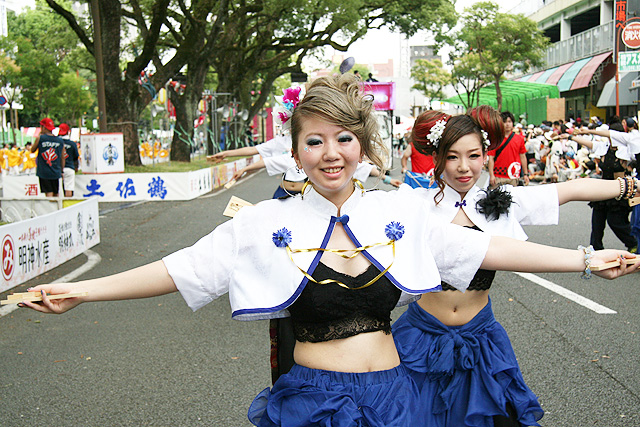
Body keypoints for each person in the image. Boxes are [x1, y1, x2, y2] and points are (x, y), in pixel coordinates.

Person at [21, 75, 637, 427]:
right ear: (296, 152)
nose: (331, 152)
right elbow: (178, 269)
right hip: (315, 405)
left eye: (344, 137)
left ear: (362, 147)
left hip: (398, 401)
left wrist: (586, 261)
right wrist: (81, 290)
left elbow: (486, 251)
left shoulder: (400, 212)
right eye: (314, 141)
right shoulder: (264, 222)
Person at [392, 106, 640, 427]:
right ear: (437, 157)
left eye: (473, 155)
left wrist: (630, 186)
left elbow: (571, 189)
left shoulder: (501, 201)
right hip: (421, 336)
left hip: (480, 337)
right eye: (452, 157)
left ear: (486, 156)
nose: (464, 167)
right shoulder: (416, 205)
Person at [572, 119, 638, 252]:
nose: (609, 138)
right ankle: (595, 249)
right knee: (597, 222)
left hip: (619, 191)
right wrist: (570, 136)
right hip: (603, 189)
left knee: (616, 222)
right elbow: (589, 143)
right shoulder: (604, 147)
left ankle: (633, 243)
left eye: (611, 135)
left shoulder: (626, 150)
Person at [487, 111, 528, 188]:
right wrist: (491, 175)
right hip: (498, 176)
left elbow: (523, 156)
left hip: (513, 176)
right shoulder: (496, 139)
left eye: (509, 121)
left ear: (513, 123)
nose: (507, 124)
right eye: (504, 122)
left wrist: (525, 174)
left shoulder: (519, 139)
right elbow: (491, 158)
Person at [31, 117, 65, 197]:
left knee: (48, 192)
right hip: (56, 170)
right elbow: (62, 157)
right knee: (56, 193)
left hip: (44, 171)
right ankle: (57, 205)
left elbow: (32, 150)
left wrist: (39, 136)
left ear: (44, 127)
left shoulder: (41, 138)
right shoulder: (60, 140)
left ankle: (50, 205)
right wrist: (61, 170)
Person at [58, 123, 79, 197]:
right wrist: (76, 167)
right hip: (70, 167)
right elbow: (76, 157)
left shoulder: (57, 143)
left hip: (58, 168)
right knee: (69, 188)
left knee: (59, 189)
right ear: (68, 132)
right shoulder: (72, 144)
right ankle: (68, 203)